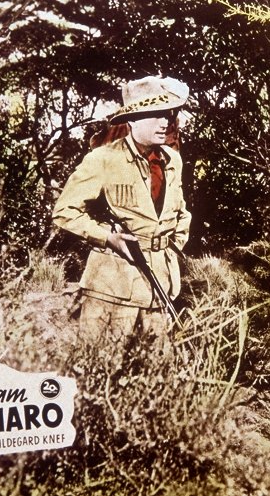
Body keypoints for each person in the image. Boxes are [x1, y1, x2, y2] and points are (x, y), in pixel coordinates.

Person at [52, 76, 192, 343]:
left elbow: (180, 212)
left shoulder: (172, 160)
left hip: (159, 287)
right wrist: (107, 238)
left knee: (156, 376)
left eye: (167, 114)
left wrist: (172, 248)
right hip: (111, 288)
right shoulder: (103, 159)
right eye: (155, 114)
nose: (165, 122)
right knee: (99, 370)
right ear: (133, 119)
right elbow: (65, 211)